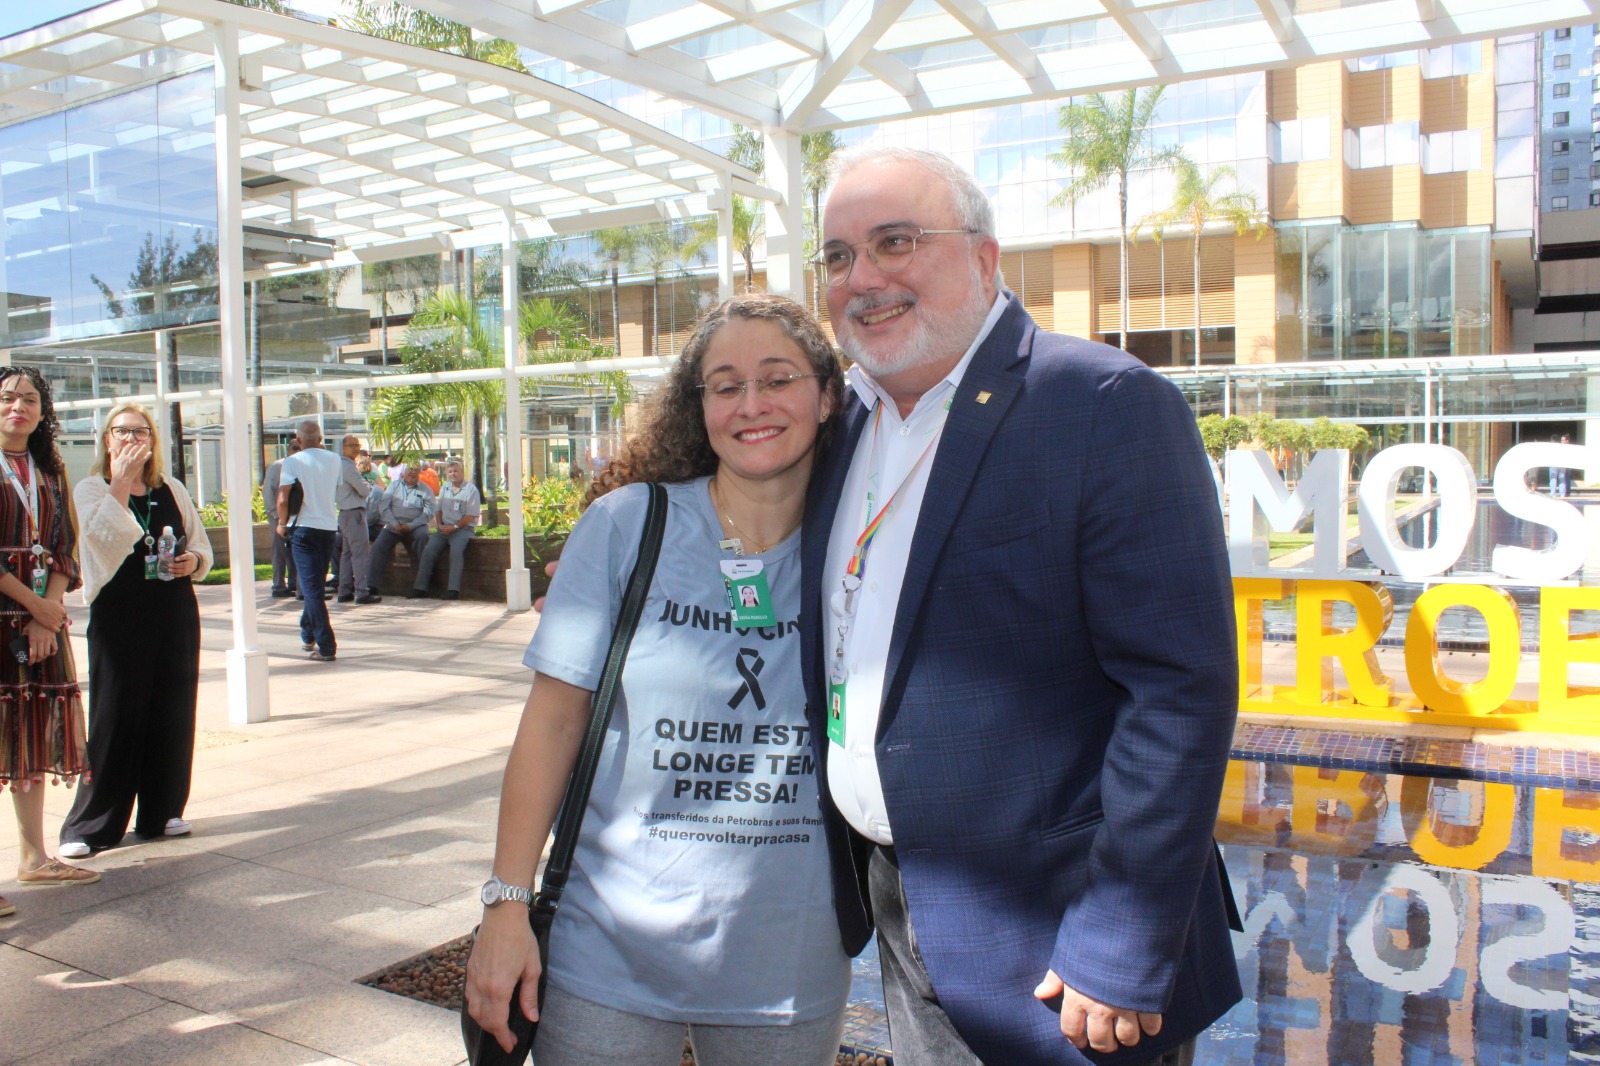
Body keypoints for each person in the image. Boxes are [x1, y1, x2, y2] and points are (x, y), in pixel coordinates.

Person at [800, 147, 1241, 1066]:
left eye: (895, 242)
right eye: (838, 256)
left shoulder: (1102, 403)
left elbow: (1178, 692)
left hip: (1064, 952)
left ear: (984, 257)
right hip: (903, 906)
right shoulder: (844, 422)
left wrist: (1120, 942)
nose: (862, 277)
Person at [465, 293, 849, 1066]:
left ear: (828, 396)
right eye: (726, 385)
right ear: (699, 406)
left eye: (778, 379)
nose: (752, 404)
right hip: (608, 949)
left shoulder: (857, 544)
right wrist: (506, 905)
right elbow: (553, 723)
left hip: (791, 957)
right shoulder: (628, 526)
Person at [59, 402, 211, 858]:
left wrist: (193, 561)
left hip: (173, 613)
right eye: (121, 431)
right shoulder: (92, 488)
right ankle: (92, 825)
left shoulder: (172, 488)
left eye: (140, 431)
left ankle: (163, 810)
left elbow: (200, 544)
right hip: (120, 616)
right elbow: (101, 543)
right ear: (107, 439)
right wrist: (122, 482)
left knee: (172, 711)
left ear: (152, 441)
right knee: (116, 715)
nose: (131, 439)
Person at [0, 366, 97, 917]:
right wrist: (34, 606)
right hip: (8, 611)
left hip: (41, 618)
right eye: (7, 397)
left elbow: (63, 545)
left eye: (30, 399)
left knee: (32, 730)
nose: (18, 406)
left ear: (43, 412)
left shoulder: (51, 470)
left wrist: (47, 614)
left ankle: (34, 858)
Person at [276, 421, 342, 662]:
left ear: (299, 439)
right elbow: (334, 489)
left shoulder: (292, 461)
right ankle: (307, 633)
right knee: (314, 584)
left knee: (311, 589)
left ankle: (326, 646)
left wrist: (282, 523)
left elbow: (283, 498)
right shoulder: (334, 459)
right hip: (327, 528)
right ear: (321, 439)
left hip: (303, 528)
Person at [408, 458, 479, 600]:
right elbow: (438, 509)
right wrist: (439, 525)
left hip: (462, 529)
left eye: (456, 471)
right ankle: (420, 588)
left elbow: (471, 515)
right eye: (450, 472)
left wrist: (454, 527)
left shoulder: (471, 490)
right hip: (444, 528)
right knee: (428, 550)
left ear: (462, 472)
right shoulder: (445, 488)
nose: (453, 474)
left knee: (456, 551)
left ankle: (453, 590)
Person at [368, 466, 434, 592]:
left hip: (416, 526)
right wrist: (394, 523)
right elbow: (384, 507)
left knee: (423, 537)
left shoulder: (426, 490)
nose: (412, 472)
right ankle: (371, 585)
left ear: (420, 472)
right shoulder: (394, 486)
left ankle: (422, 586)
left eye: (416, 470)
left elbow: (428, 513)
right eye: (410, 469)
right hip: (393, 526)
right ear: (404, 472)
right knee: (378, 547)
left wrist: (411, 525)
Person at [334, 434, 381, 605]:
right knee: (359, 554)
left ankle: (345, 590)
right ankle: (361, 591)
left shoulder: (340, 465)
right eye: (351, 445)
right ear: (343, 448)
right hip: (353, 513)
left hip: (345, 513)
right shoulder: (348, 467)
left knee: (347, 553)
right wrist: (365, 486)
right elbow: (365, 490)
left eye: (357, 445)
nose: (355, 448)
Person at [263, 440, 300, 599]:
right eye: (294, 448)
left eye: (300, 448)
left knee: (295, 551)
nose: (297, 451)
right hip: (278, 517)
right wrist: (277, 517)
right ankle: (278, 585)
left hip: (296, 517)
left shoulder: (302, 466)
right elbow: (268, 492)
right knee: (279, 551)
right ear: (288, 449)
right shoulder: (278, 466)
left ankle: (294, 583)